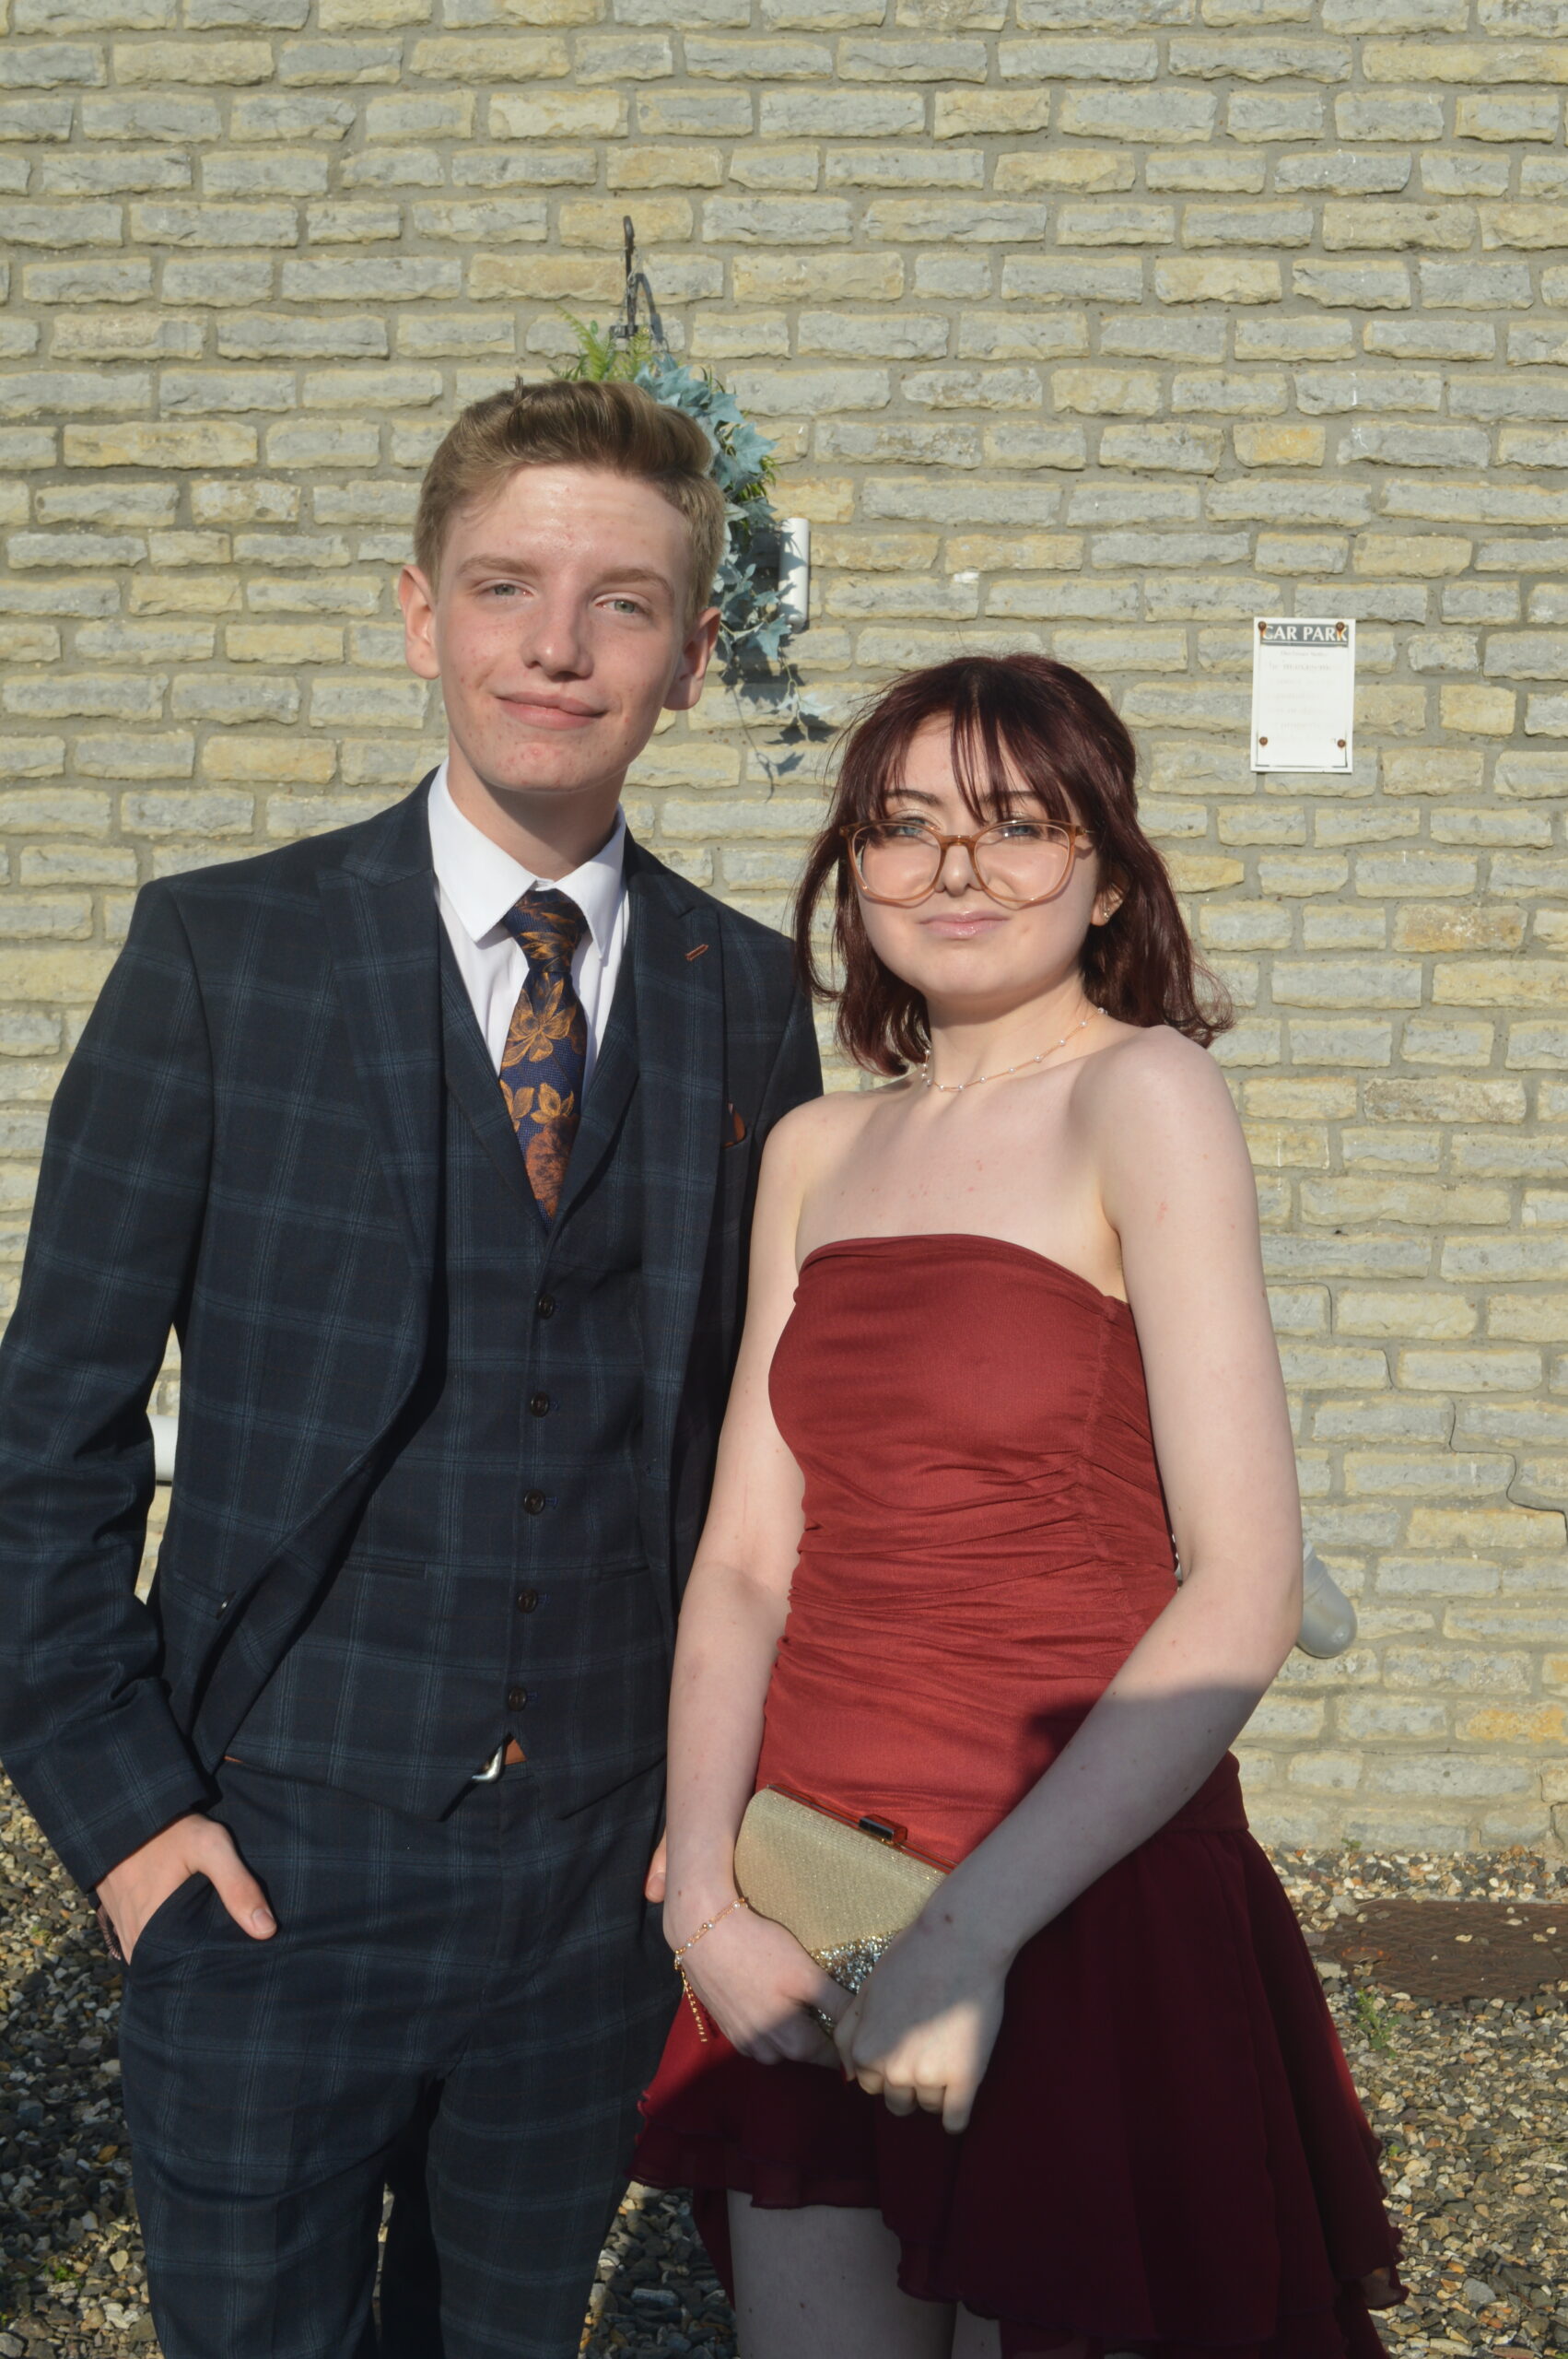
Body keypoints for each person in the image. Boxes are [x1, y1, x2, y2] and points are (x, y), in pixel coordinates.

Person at [0, 377, 821, 2359]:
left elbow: (766, 1449)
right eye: (505, 586)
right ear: (416, 612)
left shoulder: (744, 994)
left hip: (596, 1883)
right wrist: (127, 1822)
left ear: (690, 659)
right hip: (268, 1854)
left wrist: (714, 1819)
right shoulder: (222, 957)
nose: (557, 646)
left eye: (624, 603)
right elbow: (50, 1436)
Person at [634, 653, 1404, 2359]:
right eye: (902, 827)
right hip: (808, 1885)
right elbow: (747, 1560)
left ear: (1107, 873)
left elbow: (1242, 1580)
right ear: (853, 870)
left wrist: (964, 1941)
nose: (955, 869)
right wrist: (703, 1902)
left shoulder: (1144, 1094)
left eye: (1016, 823)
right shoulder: (814, 1153)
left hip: (1067, 1897)